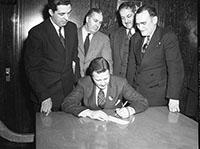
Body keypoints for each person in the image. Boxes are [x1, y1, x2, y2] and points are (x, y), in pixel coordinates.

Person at [24, 0, 80, 116]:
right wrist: (44, 97)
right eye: (61, 14)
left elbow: (75, 58)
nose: (66, 18)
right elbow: (32, 69)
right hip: (46, 96)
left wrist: (78, 86)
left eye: (69, 13)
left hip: (69, 95)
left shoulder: (72, 28)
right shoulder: (37, 33)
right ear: (51, 12)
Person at [126, 5, 184, 112]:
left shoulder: (167, 37)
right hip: (137, 93)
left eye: (143, 23)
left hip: (157, 95)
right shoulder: (135, 38)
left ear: (155, 20)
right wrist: (127, 91)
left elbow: (175, 69)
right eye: (137, 24)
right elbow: (131, 67)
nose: (140, 27)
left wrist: (174, 97)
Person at [62, 57, 148, 121]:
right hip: (90, 124)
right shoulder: (84, 83)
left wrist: (129, 110)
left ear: (109, 73)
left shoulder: (120, 83)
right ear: (92, 77)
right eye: (98, 80)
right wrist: (89, 113)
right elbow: (66, 103)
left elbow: (142, 101)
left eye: (106, 78)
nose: (103, 83)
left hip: (114, 126)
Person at [77, 8, 113, 77]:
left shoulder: (104, 39)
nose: (97, 25)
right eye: (95, 21)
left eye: (100, 23)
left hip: (92, 82)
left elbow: (108, 64)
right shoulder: (73, 34)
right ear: (87, 19)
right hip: (72, 81)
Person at [110, 2, 136, 78]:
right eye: (123, 18)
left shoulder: (143, 34)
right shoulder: (114, 35)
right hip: (118, 80)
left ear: (135, 14)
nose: (126, 20)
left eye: (129, 16)